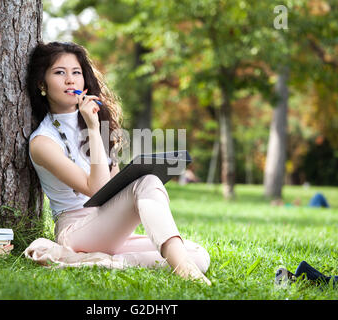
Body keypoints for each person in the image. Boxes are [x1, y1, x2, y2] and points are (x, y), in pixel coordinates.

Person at [26, 41, 211, 284]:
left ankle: (99, 260)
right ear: (42, 83)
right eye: (60, 73)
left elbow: (113, 188)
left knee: (198, 255)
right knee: (147, 182)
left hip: (107, 226)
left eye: (76, 73)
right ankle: (184, 272)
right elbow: (97, 189)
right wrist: (94, 128)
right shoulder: (42, 142)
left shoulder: (93, 123)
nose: (70, 80)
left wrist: (95, 127)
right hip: (76, 231)